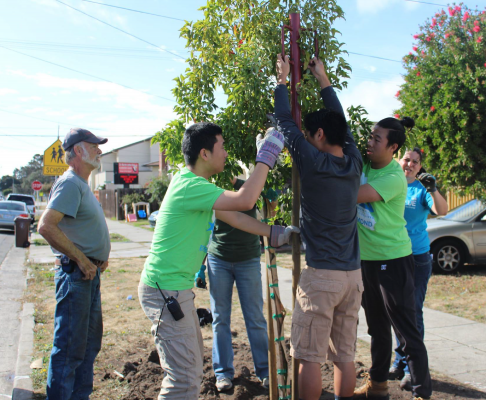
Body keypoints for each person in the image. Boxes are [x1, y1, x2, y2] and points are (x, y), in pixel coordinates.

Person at [138, 122, 298, 400]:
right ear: (204, 153)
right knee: (183, 379)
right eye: (222, 147)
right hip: (166, 291)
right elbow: (247, 199)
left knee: (190, 370)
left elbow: (235, 216)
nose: (226, 153)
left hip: (175, 291)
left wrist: (275, 233)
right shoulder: (190, 186)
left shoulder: (194, 185)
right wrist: (267, 155)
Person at [275, 55, 363, 400]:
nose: (306, 139)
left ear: (320, 134)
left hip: (321, 276)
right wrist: (323, 79)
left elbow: (284, 121)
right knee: (345, 354)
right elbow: (342, 123)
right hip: (353, 277)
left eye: (310, 135)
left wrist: (281, 80)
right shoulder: (354, 160)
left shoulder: (312, 162)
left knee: (309, 357)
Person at [354, 118, 433, 400]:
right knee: (377, 328)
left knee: (406, 332)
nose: (370, 142)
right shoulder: (363, 165)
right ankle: (377, 387)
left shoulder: (392, 176)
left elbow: (353, 195)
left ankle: (422, 393)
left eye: (377, 139)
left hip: (394, 261)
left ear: (393, 147)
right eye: (370, 136)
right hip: (367, 262)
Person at [38, 128, 111, 399]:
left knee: (89, 347)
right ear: (78, 151)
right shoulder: (70, 183)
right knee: (69, 349)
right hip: (76, 277)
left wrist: (97, 258)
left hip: (88, 276)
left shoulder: (82, 184)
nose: (99, 151)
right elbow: (46, 227)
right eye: (94, 146)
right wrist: (82, 259)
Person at [389, 147, 448, 391]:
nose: (410, 164)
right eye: (406, 159)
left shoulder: (422, 189)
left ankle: (414, 369)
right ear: (398, 159)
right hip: (392, 255)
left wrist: (433, 188)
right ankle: (399, 361)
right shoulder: (390, 183)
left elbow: (441, 211)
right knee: (395, 311)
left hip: (417, 258)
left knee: (413, 311)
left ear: (419, 166)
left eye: (415, 162)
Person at [207, 175, 269, 392]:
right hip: (219, 259)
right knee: (220, 318)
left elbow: (269, 198)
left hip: (248, 260)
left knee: (255, 318)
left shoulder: (248, 186)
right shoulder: (211, 189)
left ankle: (265, 371)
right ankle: (223, 373)